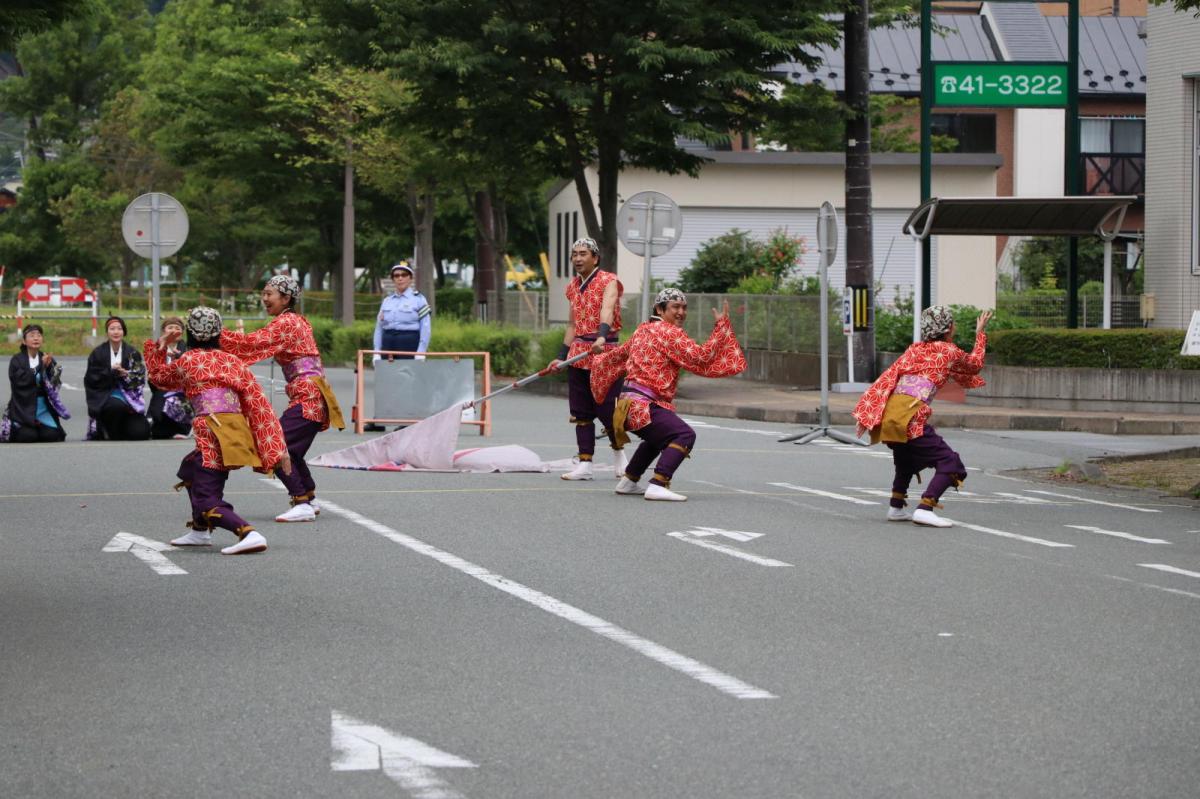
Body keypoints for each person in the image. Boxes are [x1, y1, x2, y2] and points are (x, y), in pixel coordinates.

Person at [143, 307, 290, 555]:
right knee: (190, 468)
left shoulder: (188, 361)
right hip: (234, 430)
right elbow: (258, 405)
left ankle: (247, 532)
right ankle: (200, 531)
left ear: (190, 333)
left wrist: (160, 347)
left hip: (212, 431)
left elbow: (159, 378)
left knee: (205, 496)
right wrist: (277, 447)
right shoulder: (234, 361)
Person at [589, 289, 747, 501]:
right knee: (684, 435)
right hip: (643, 406)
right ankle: (658, 483)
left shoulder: (642, 330)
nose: (681, 312)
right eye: (675, 307)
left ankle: (629, 480)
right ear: (659, 309)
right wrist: (721, 327)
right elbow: (701, 357)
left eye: (684, 307)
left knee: (657, 438)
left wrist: (599, 358)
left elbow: (615, 357)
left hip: (626, 407)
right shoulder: (669, 332)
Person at [852, 305, 993, 528]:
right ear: (948, 328)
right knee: (951, 462)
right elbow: (974, 365)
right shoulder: (949, 351)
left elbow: (889, 378)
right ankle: (925, 508)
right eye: (953, 323)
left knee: (906, 461)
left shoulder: (914, 349)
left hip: (891, 416)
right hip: (912, 416)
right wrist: (980, 334)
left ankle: (896, 507)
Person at [220, 275, 345, 523]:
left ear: (286, 298)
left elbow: (251, 344)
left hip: (308, 396)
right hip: (311, 395)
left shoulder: (287, 323)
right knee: (292, 451)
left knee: (274, 444)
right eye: (264, 294)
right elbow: (251, 345)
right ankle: (308, 497)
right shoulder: (295, 321)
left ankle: (301, 501)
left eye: (269, 294)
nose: (264, 299)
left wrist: (215, 334)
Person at [550, 237, 627, 481]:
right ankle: (585, 463)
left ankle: (619, 455)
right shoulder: (572, 287)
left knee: (608, 409)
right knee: (581, 411)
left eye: (583, 254)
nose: (578, 259)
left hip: (605, 351)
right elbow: (572, 324)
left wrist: (602, 336)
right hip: (579, 353)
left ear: (595, 257)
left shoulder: (609, 280)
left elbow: (607, 308)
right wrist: (561, 357)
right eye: (574, 254)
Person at [84, 316, 151, 441]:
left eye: (119, 329)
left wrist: (126, 374)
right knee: (116, 405)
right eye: (112, 329)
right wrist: (110, 372)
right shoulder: (98, 353)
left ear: (124, 331)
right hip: (105, 394)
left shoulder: (132, 352)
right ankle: (106, 428)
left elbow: (140, 377)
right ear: (107, 332)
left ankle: (122, 429)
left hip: (129, 396)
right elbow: (91, 378)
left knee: (142, 432)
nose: (116, 332)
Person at [3, 324, 69, 443]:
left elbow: (54, 385)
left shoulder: (45, 358)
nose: (36, 338)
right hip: (22, 407)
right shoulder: (17, 360)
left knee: (52, 436)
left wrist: (50, 369)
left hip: (42, 407)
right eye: (32, 335)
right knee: (28, 437)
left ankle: (40, 424)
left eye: (39, 335)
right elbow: (19, 382)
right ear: (24, 341)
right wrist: (40, 367)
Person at [147, 316, 194, 440]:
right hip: (160, 392)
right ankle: (160, 425)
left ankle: (184, 427)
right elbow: (152, 377)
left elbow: (193, 374)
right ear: (164, 331)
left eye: (177, 328)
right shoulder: (157, 349)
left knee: (168, 400)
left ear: (182, 332)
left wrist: (177, 360)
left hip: (183, 392)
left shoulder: (189, 350)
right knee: (157, 427)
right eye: (170, 328)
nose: (174, 331)